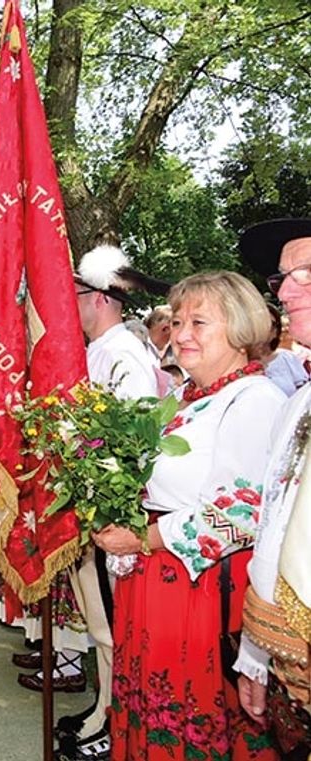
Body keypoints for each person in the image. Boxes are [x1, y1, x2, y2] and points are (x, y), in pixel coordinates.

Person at [91, 271, 283, 760]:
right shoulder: (183, 398)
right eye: (177, 322)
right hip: (155, 579)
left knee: (192, 714)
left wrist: (141, 538)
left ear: (241, 328)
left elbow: (238, 513)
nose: (181, 334)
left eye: (199, 322)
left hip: (201, 590)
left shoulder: (255, 400)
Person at [48, 245, 165, 760]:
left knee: (110, 625)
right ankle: (103, 708)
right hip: (88, 507)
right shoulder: (97, 351)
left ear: (99, 299)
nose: (66, 304)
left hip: (112, 512)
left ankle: (114, 717)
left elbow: (136, 437)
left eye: (73, 295)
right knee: (98, 622)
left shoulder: (121, 355)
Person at [235, 218, 311, 760]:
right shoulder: (295, 405)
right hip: (290, 656)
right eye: (282, 278)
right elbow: (271, 526)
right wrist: (254, 658)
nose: (286, 292)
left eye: (306, 275)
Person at [263, 303, 309, 397]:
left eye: (272, 324)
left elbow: (303, 395)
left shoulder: (287, 358)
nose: (265, 328)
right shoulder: (238, 360)